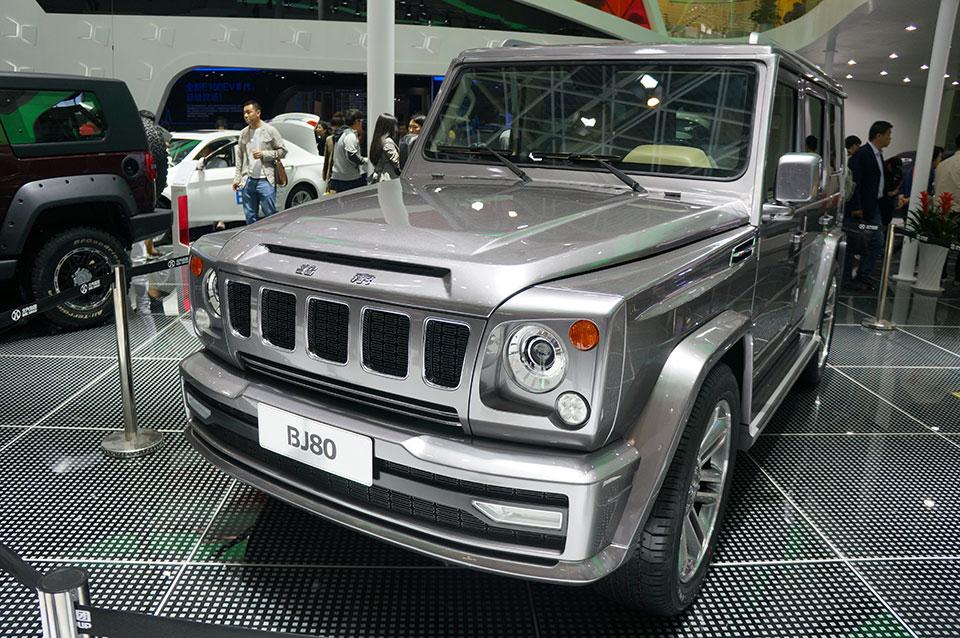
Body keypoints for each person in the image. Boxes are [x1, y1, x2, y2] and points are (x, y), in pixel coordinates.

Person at [845, 121, 893, 291]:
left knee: (875, 241)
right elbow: (855, 182)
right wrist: (856, 206)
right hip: (862, 207)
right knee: (855, 242)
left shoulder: (878, 155)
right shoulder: (862, 154)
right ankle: (848, 278)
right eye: (888, 134)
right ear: (878, 135)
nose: (890, 138)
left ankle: (864, 275)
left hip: (875, 205)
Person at [232, 100, 287, 225]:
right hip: (248, 180)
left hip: (266, 179)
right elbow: (240, 157)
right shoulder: (244, 133)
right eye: (244, 113)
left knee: (270, 215)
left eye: (249, 112)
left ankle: (273, 236)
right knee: (250, 216)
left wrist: (264, 154)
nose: (246, 115)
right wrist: (237, 178)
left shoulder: (270, 130)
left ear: (258, 113)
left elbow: (283, 151)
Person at [328, 108, 366, 193]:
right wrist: (363, 161)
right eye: (361, 121)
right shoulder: (350, 136)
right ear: (356, 121)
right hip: (349, 179)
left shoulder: (342, 133)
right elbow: (351, 155)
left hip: (339, 177)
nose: (361, 124)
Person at [369, 113, 401, 183]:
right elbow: (397, 162)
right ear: (389, 127)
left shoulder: (378, 140)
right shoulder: (388, 142)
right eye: (395, 125)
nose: (396, 128)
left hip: (380, 177)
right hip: (390, 178)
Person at [322, 112, 343, 191]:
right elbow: (326, 158)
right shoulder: (329, 139)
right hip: (331, 174)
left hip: (342, 174)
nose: (334, 130)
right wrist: (324, 174)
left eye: (337, 128)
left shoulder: (345, 138)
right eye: (333, 128)